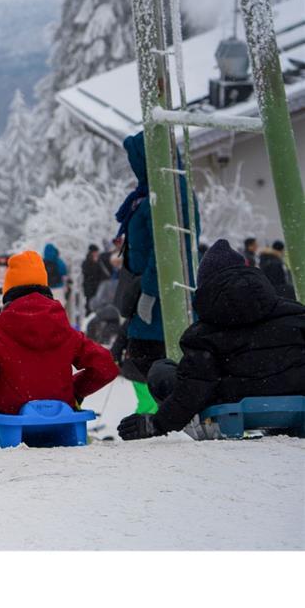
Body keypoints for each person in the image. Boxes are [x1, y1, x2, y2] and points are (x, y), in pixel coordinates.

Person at [118, 239, 305, 440]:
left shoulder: (202, 334)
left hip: (229, 401)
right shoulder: (296, 315)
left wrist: (156, 424)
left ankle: (206, 428)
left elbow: (193, 389)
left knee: (162, 369)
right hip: (295, 395)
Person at [0, 250, 119, 429]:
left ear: (9, 292)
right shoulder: (66, 332)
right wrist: (75, 389)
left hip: (10, 415)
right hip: (60, 412)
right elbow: (106, 367)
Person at [116, 131, 199, 413]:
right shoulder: (150, 192)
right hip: (147, 291)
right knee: (142, 356)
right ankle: (153, 409)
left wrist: (150, 291)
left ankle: (156, 411)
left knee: (147, 356)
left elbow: (169, 246)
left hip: (161, 295)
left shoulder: (171, 193)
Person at [81, 244, 111, 314]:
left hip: (99, 287)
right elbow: (89, 274)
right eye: (95, 252)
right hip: (90, 288)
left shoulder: (100, 261)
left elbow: (104, 274)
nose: (96, 254)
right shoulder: (87, 262)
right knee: (90, 306)